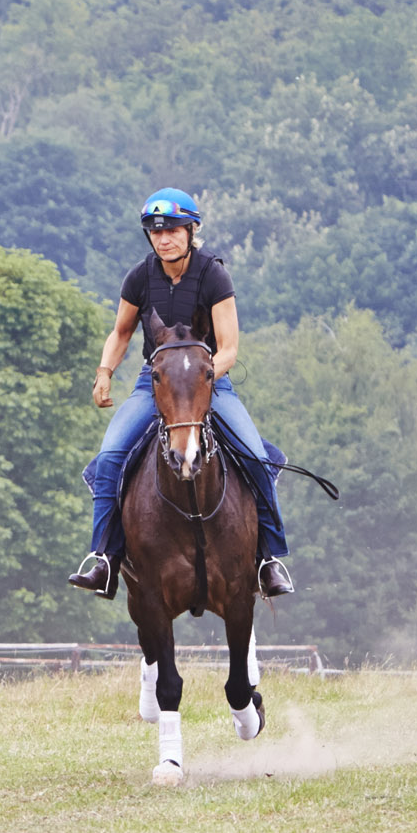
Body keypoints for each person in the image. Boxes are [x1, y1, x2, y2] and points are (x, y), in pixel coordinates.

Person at [66, 190, 294, 598]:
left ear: (191, 231)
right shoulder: (139, 277)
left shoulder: (213, 275)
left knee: (256, 455)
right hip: (152, 383)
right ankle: (103, 558)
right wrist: (104, 372)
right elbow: (120, 333)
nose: (163, 239)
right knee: (112, 454)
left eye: (171, 230)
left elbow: (228, 348)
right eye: (155, 232)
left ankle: (269, 559)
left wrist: (200, 380)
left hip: (209, 382)